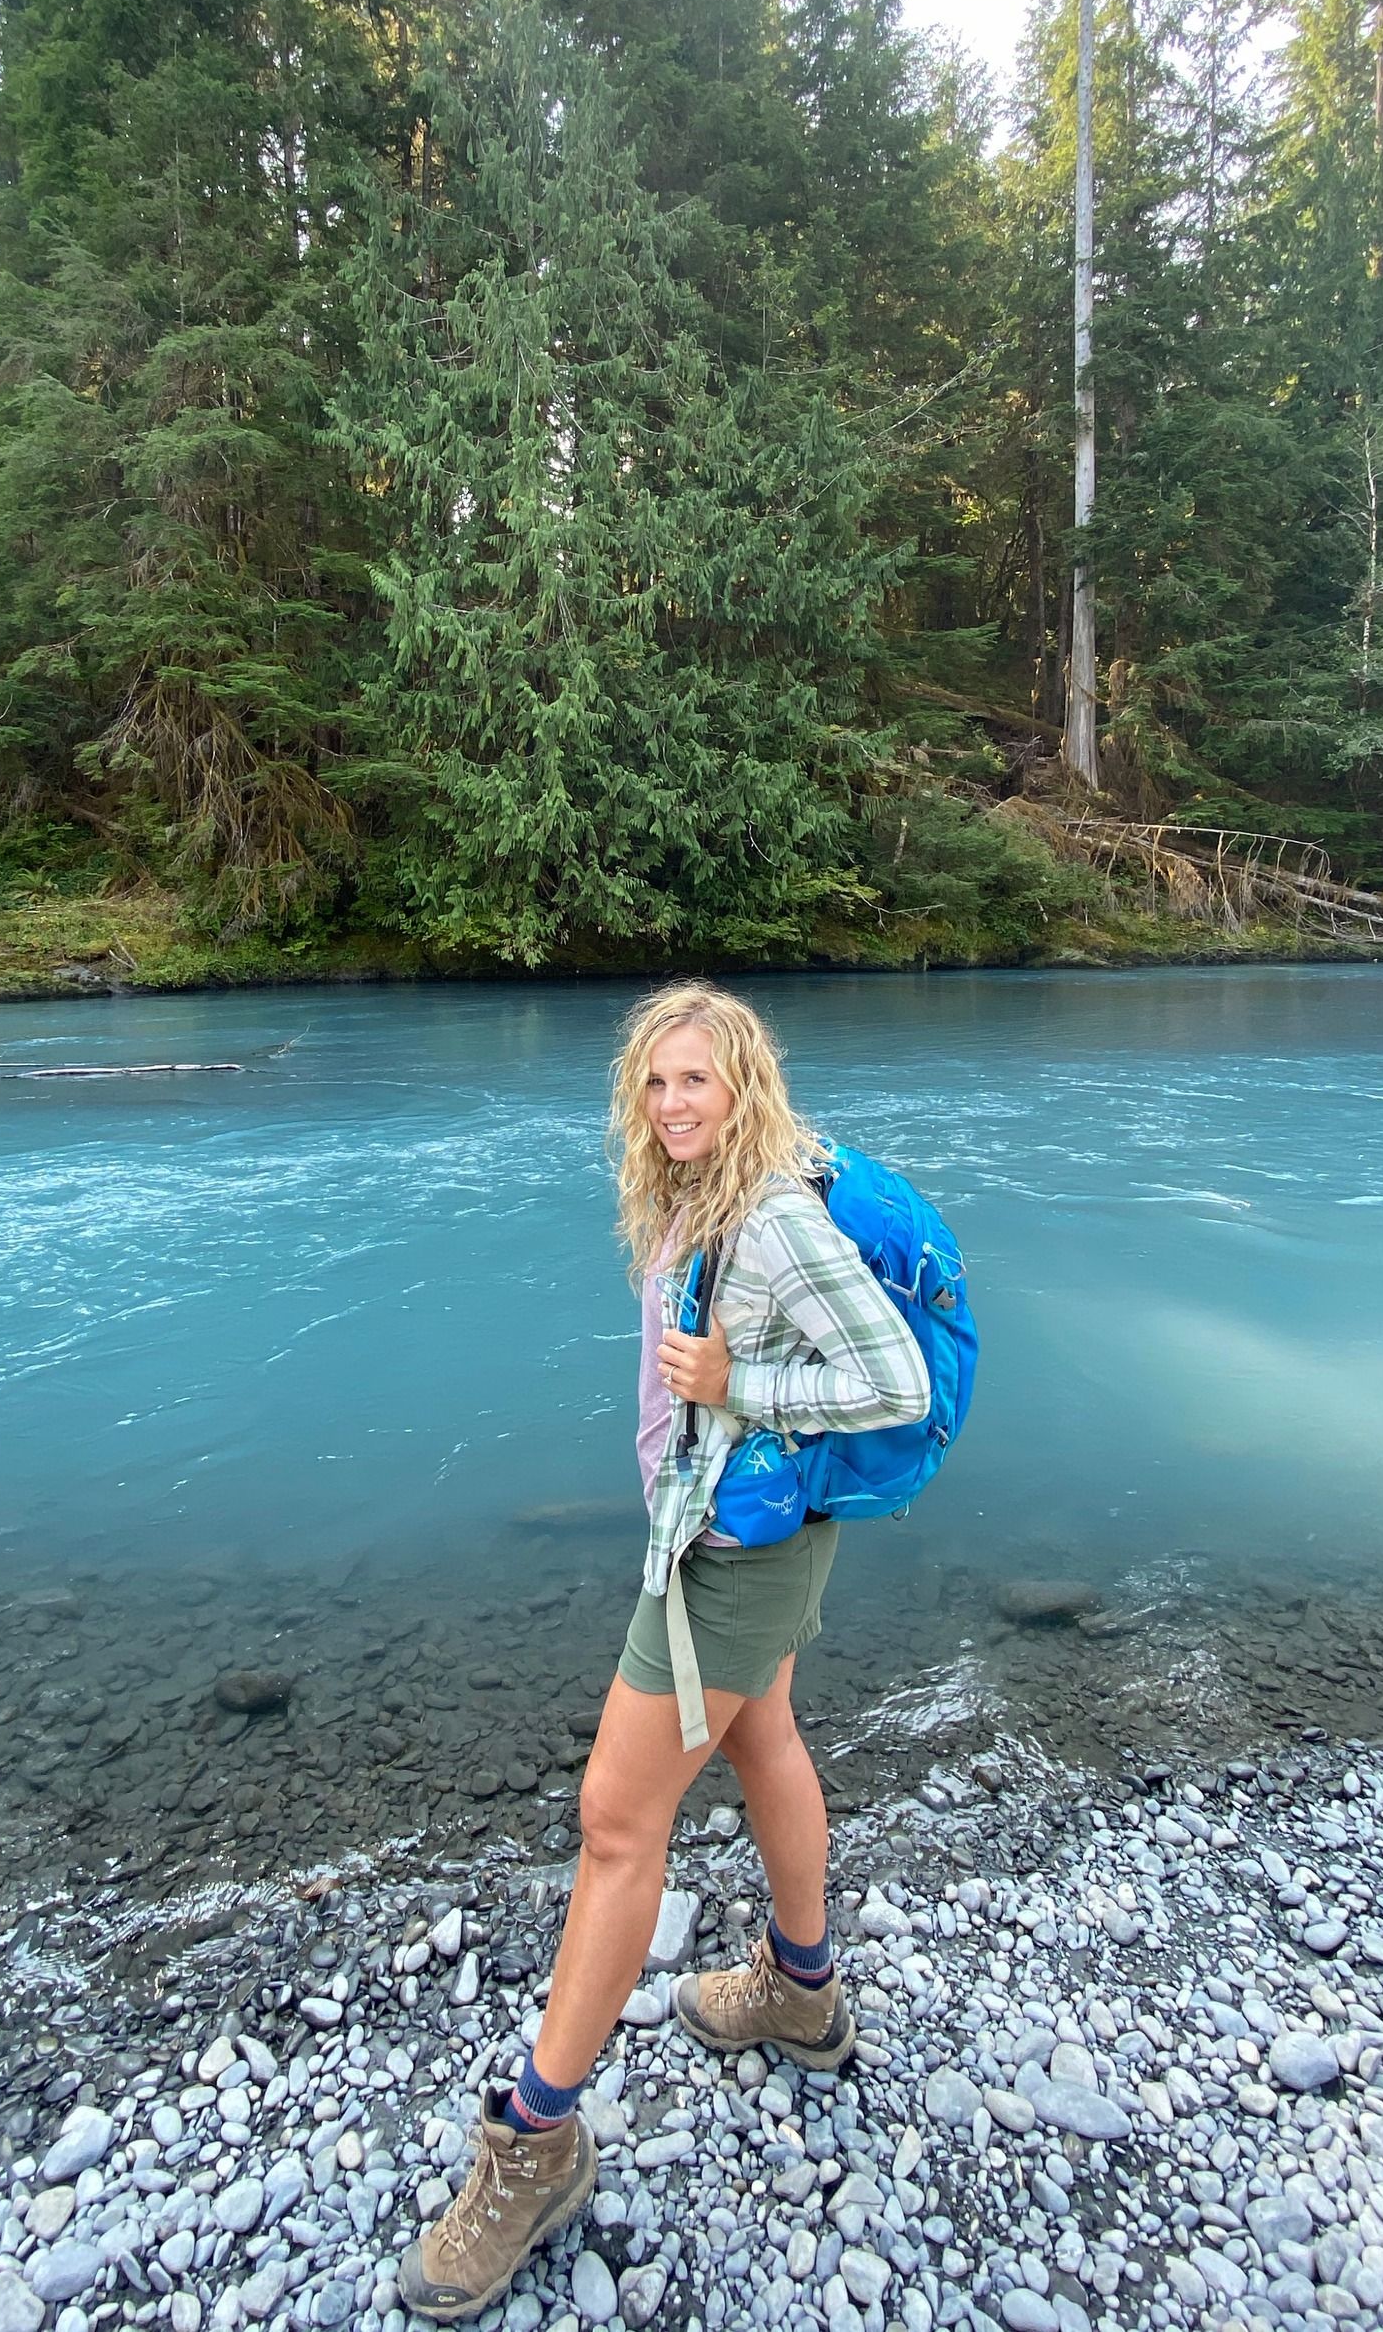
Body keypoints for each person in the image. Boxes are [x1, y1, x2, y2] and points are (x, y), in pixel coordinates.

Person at [400, 982, 929, 2323]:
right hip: (754, 1531)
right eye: (657, 1084)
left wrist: (734, 1387)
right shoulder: (705, 1192)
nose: (676, 1104)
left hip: (730, 1561)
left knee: (617, 1825)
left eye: (699, 1081)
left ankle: (537, 2144)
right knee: (766, 1742)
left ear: (746, 1086)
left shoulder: (773, 1218)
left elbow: (895, 1382)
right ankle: (804, 1995)